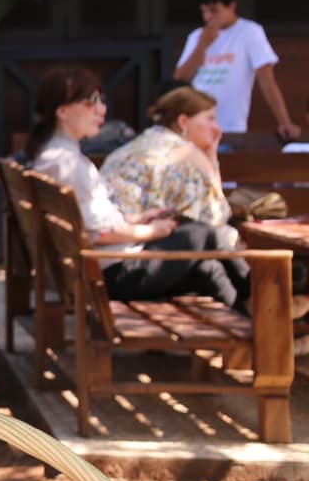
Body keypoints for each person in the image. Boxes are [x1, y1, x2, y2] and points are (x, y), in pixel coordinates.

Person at [26, 66, 247, 309]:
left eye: (101, 100)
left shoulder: (55, 156)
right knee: (206, 234)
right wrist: (152, 231)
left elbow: (93, 224)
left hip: (100, 267)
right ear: (63, 111)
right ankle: (259, 289)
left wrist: (137, 220)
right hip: (112, 271)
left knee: (208, 269)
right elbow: (100, 234)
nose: (101, 109)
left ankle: (251, 326)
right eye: (91, 102)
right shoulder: (67, 163)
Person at [173, 0, 298, 146]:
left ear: (232, 6)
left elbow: (267, 80)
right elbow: (179, 81)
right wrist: (202, 45)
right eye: (204, 11)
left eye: (214, 10)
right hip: (194, 128)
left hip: (230, 128)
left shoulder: (249, 32)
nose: (208, 17)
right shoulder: (196, 36)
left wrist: (284, 122)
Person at [101, 85, 232, 239]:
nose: (217, 128)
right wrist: (210, 161)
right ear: (183, 122)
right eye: (210, 119)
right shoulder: (187, 155)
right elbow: (216, 216)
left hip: (112, 240)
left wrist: (211, 157)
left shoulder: (141, 143)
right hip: (140, 243)